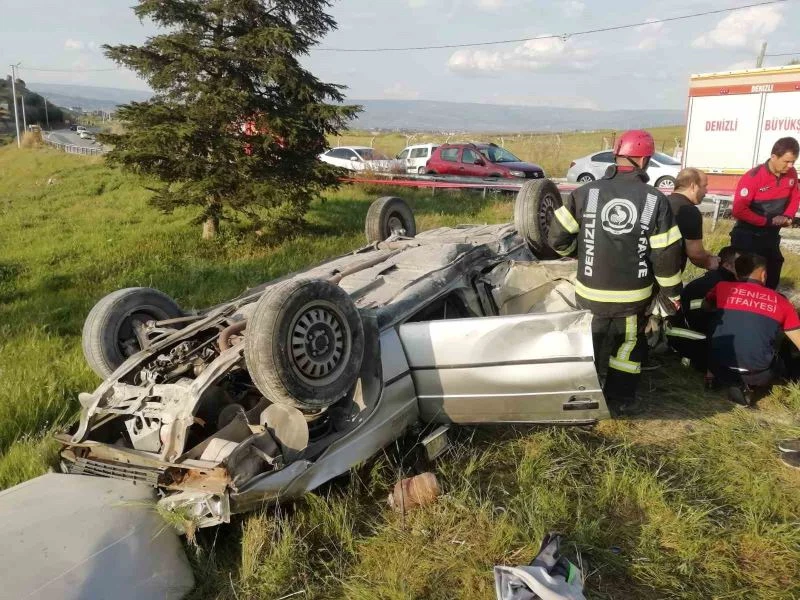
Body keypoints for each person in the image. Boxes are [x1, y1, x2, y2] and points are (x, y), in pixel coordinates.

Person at [549, 130, 683, 414]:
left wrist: (580, 252)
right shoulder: (655, 200)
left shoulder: (584, 193)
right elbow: (666, 255)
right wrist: (672, 293)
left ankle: (583, 395)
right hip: (632, 297)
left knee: (589, 342)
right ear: (645, 159)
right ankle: (619, 399)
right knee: (627, 346)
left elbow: (556, 238)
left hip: (589, 294)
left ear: (616, 155)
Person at [705, 253, 800, 406]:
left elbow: (706, 306)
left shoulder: (722, 288)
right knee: (785, 347)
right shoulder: (781, 301)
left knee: (717, 320)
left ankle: (713, 377)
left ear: (737, 272)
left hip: (719, 367)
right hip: (759, 374)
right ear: (764, 275)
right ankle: (750, 385)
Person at [730, 136, 800, 289]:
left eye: (793, 161)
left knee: (772, 275)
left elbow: (795, 197)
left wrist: (788, 216)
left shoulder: (792, 173)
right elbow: (739, 210)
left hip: (771, 235)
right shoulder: (753, 177)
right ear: (774, 157)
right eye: (786, 161)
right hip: (748, 235)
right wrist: (766, 221)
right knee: (747, 281)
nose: (790, 165)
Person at [665, 246, 737, 376]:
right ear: (728, 265)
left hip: (680, 336)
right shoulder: (721, 284)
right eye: (741, 264)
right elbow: (703, 320)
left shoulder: (713, 278)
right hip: (690, 341)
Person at [669, 167, 719, 272]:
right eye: (704, 186)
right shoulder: (689, 211)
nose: (706, 191)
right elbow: (695, 254)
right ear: (693, 186)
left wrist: (704, 253)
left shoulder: (662, 202)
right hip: (668, 277)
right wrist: (710, 263)